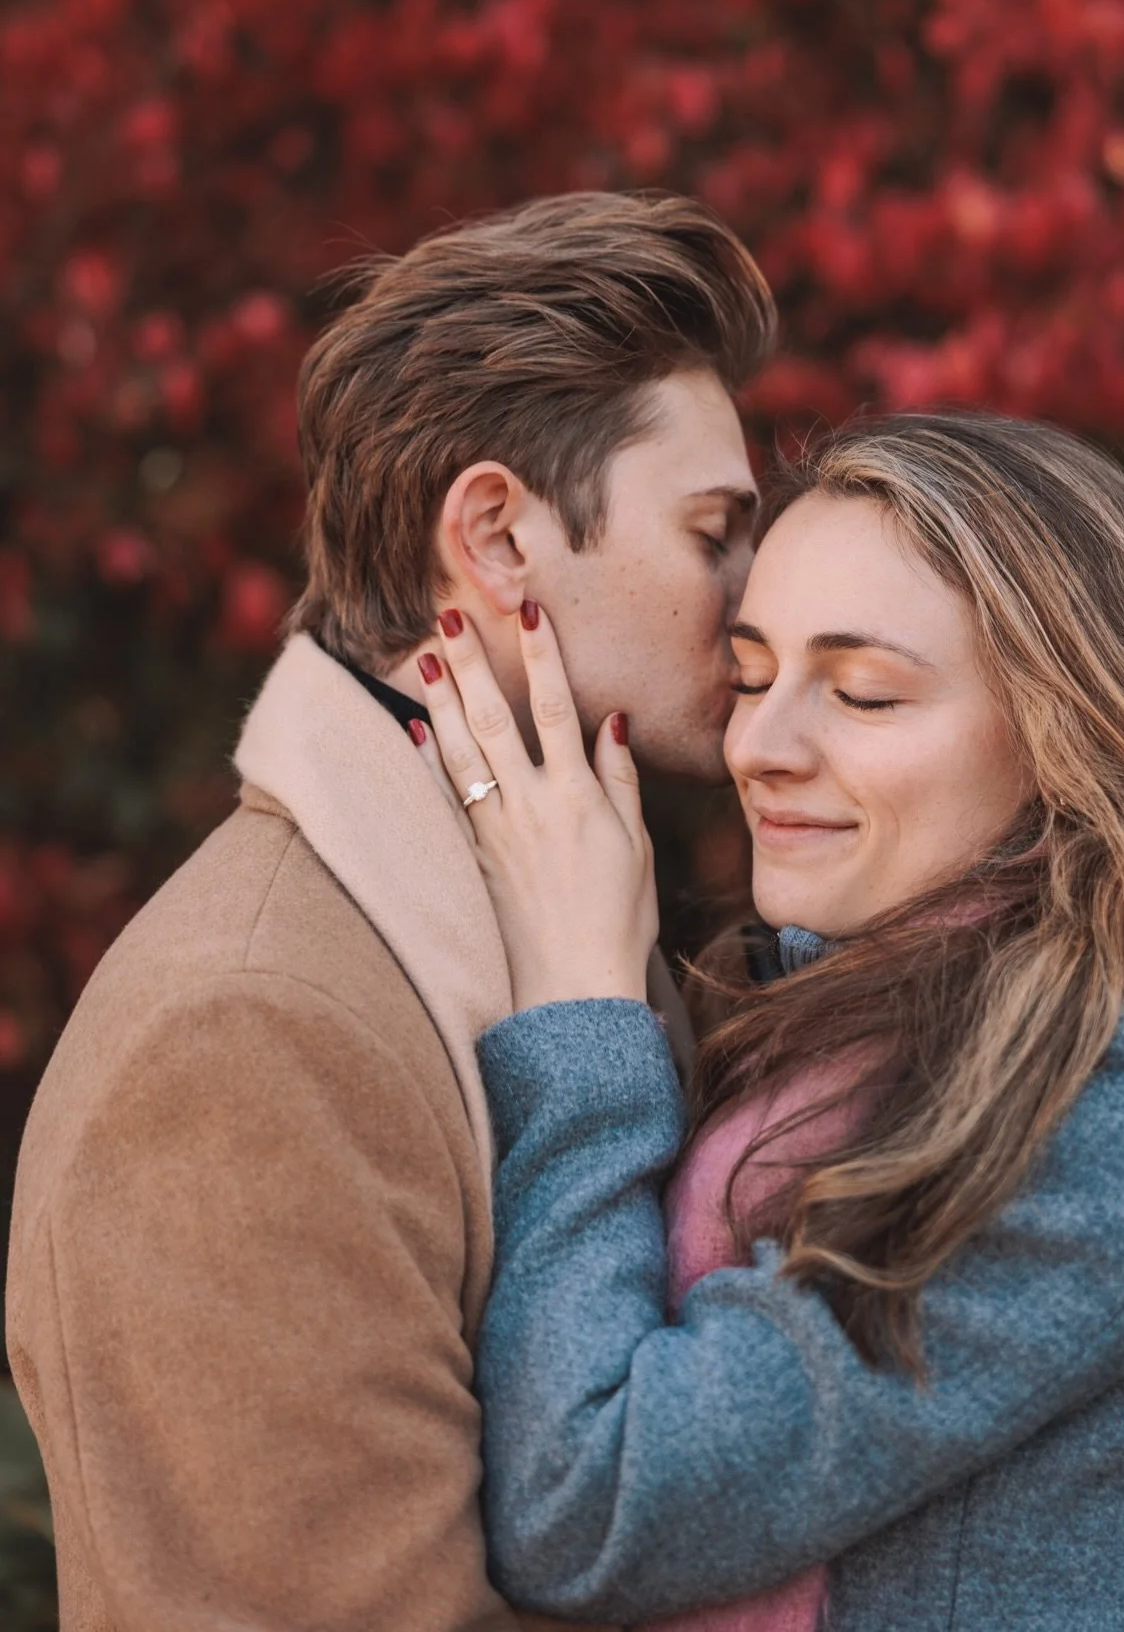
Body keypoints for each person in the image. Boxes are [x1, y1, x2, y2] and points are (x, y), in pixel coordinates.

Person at [414, 412, 1124, 1630]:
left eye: (864, 693)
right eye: (752, 676)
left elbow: (593, 1503)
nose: (758, 746)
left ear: (1067, 736)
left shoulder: (1113, 1097)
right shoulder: (826, 1023)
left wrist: (582, 1016)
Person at [5, 190, 775, 1632]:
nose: (757, 602)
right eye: (715, 532)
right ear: (496, 538)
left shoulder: (558, 934)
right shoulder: (248, 1036)